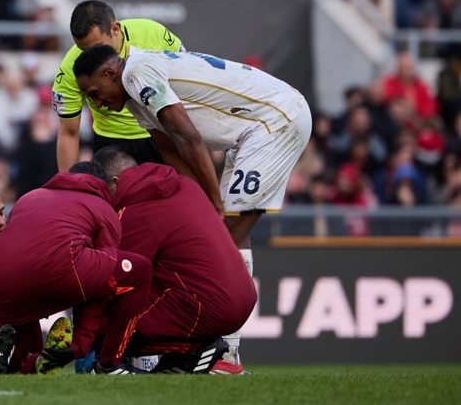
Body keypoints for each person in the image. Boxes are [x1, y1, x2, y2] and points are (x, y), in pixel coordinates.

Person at [74, 44, 311, 374]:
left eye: (96, 93)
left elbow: (190, 138)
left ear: (111, 73)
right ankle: (208, 350)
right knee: (219, 229)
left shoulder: (136, 74)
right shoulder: (135, 99)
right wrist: (197, 202)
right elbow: (171, 150)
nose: (96, 103)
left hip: (275, 120)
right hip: (249, 132)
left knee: (229, 229)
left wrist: (212, 204)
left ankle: (227, 354)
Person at [92, 148, 257, 374]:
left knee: (96, 326)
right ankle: (187, 355)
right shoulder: (184, 184)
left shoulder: (135, 209)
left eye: (102, 193)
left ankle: (195, 349)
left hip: (207, 305)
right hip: (240, 296)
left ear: (115, 181)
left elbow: (114, 279)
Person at [0, 162, 153, 375]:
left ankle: (15, 362)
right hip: (63, 271)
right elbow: (101, 274)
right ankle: (109, 363)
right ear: (104, 185)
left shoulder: (29, 197)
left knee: (12, 364)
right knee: (141, 270)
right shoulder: (102, 207)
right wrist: (80, 346)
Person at [52, 0, 185, 171]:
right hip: (110, 143)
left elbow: (185, 82)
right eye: (83, 50)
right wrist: (68, 188)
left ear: (115, 29)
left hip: (162, 136)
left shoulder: (153, 34)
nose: (92, 56)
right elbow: (68, 133)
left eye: (97, 46)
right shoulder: (70, 68)